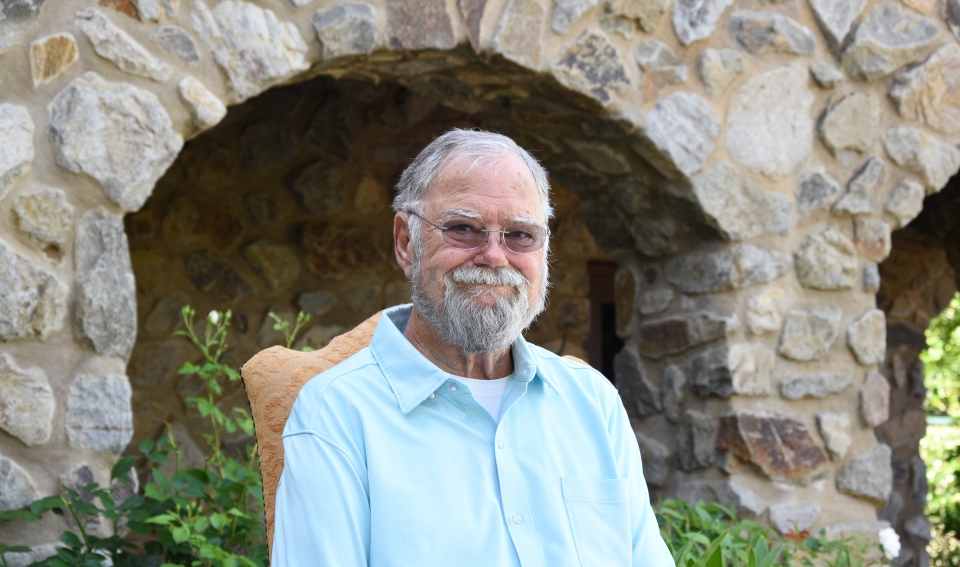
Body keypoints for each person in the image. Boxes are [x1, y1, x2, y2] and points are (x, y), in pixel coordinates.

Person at [272, 129, 674, 566]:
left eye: (520, 235)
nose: (495, 256)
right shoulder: (336, 416)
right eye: (463, 229)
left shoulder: (592, 402)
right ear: (407, 242)